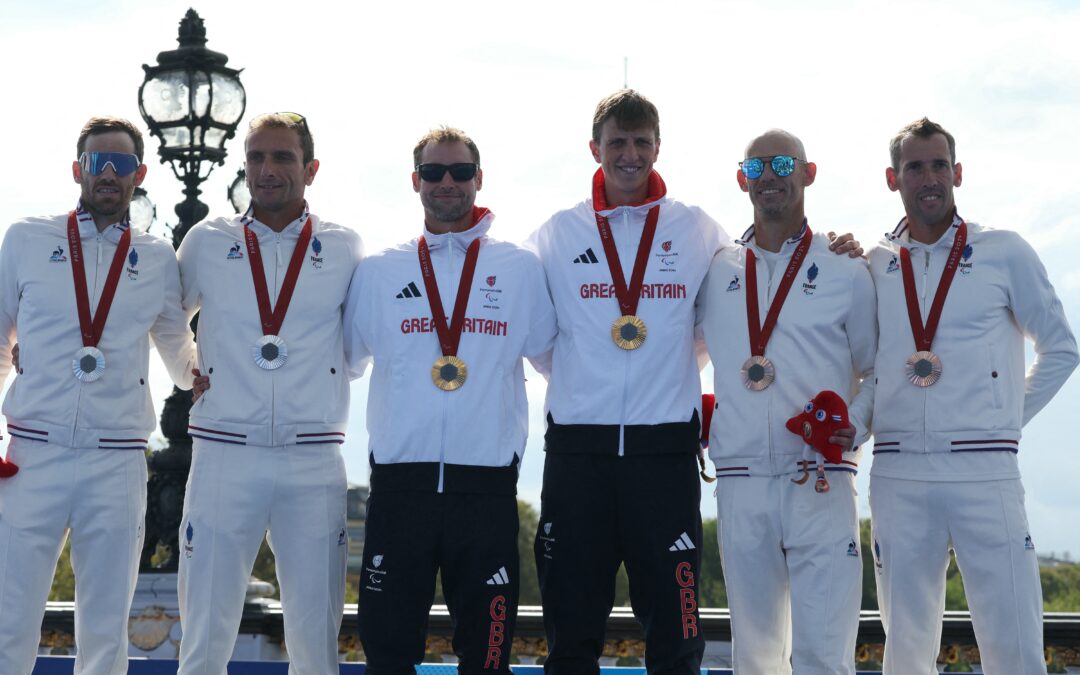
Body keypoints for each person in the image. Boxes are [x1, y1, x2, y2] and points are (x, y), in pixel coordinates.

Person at [868, 117, 1078, 674]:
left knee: (1013, 641)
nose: (929, 177)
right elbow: (863, 367)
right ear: (894, 179)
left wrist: (1007, 419)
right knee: (907, 647)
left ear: (958, 172)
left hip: (986, 471)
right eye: (915, 167)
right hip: (899, 473)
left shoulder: (1004, 251)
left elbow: (1062, 348)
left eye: (939, 165)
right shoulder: (873, 264)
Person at [345, 126, 557, 674]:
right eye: (434, 172)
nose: (447, 183)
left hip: (484, 490)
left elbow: (558, 360)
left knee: (486, 659)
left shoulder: (520, 268)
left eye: (460, 172)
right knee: (388, 655)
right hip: (399, 488)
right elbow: (339, 363)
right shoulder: (379, 270)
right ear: (415, 181)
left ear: (478, 179)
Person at [0, 116, 199, 674]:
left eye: (120, 164)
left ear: (139, 174)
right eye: (97, 163)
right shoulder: (25, 238)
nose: (107, 174)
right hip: (31, 454)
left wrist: (207, 374)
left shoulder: (159, 257)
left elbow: (178, 352)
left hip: (116, 459)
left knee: (107, 628)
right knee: (8, 618)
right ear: (78, 170)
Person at [175, 112, 364, 674]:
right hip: (223, 453)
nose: (267, 169)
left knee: (314, 638)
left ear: (311, 168)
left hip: (313, 457)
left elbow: (359, 338)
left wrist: (324, 382)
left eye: (282, 157)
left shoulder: (344, 245)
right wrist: (189, 372)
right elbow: (163, 317)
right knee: (206, 635)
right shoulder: (207, 240)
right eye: (256, 157)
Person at [698, 129, 876, 674]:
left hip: (819, 476)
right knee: (755, 655)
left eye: (780, 164)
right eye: (756, 168)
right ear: (741, 179)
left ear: (808, 172)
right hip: (741, 482)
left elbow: (877, 370)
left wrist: (859, 427)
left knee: (824, 653)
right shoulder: (715, 269)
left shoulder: (848, 269)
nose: (768, 177)